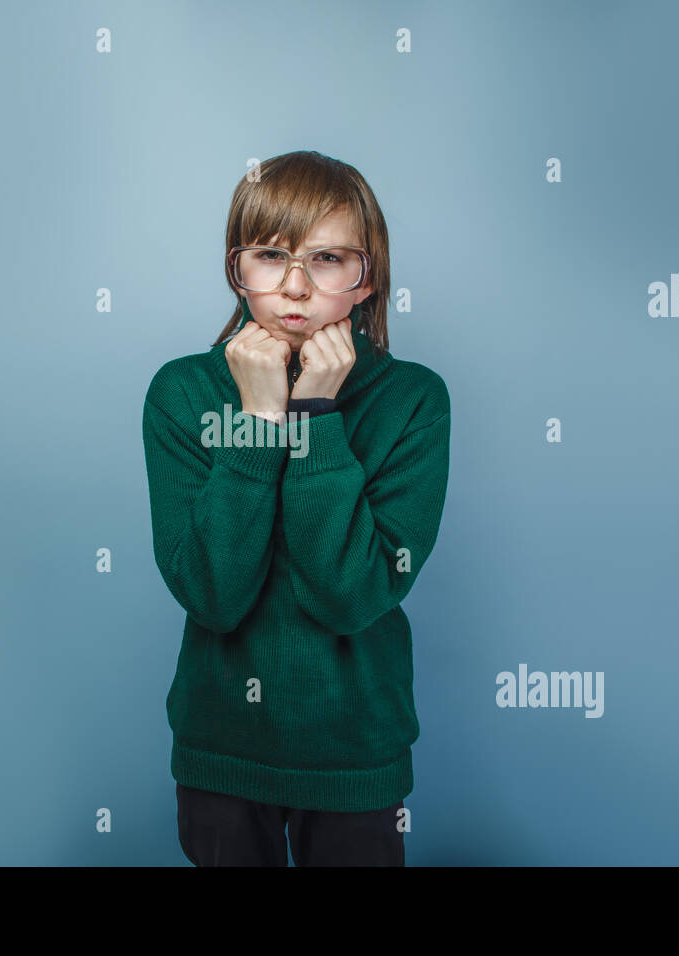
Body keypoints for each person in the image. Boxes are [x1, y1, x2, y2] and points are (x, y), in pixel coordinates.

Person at [141, 150, 451, 866]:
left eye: (329, 258)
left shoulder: (413, 401)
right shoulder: (182, 393)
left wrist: (312, 411)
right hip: (223, 747)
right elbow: (215, 596)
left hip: (352, 749)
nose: (296, 287)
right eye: (271, 257)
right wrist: (256, 420)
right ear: (236, 269)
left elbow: (349, 596)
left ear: (365, 277)